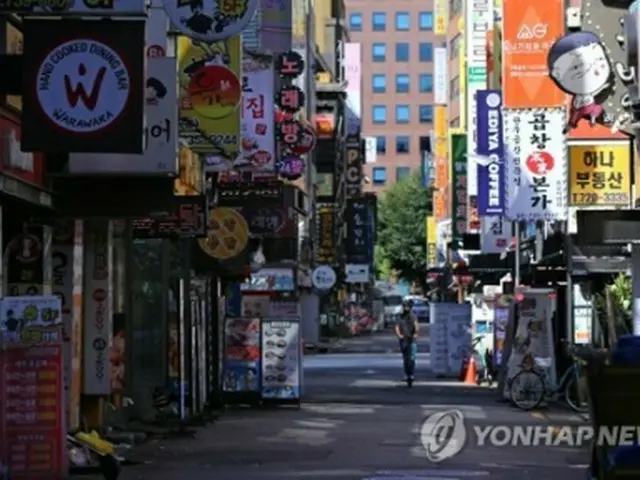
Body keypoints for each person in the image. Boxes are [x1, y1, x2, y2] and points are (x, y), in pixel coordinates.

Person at [395, 298, 419, 384]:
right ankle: (406, 374)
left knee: (412, 357)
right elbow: (397, 327)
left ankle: (411, 374)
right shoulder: (400, 316)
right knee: (405, 358)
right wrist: (399, 335)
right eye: (404, 306)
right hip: (403, 339)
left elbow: (416, 325)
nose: (406, 308)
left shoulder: (413, 316)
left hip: (411, 339)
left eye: (407, 307)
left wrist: (415, 333)